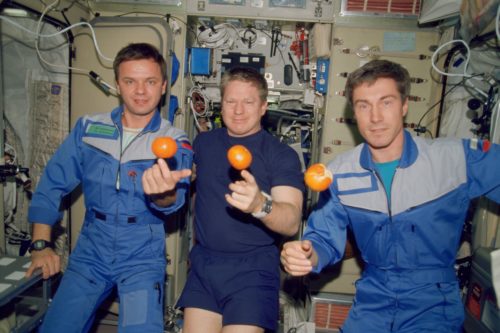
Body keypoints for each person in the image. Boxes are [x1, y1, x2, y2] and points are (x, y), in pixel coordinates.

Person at [281, 59, 500, 332]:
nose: (375, 117)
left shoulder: (454, 159)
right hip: (373, 299)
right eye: (363, 105)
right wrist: (307, 255)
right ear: (354, 112)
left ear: (404, 105)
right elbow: (324, 240)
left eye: (386, 102)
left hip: (433, 301)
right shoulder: (338, 173)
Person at [25, 43, 193, 333]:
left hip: (142, 251)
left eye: (150, 82)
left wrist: (163, 192)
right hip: (91, 249)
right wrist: (41, 244)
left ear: (164, 86)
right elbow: (52, 183)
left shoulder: (174, 139)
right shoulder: (89, 128)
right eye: (130, 81)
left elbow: (173, 200)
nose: (140, 91)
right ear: (117, 85)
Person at [177, 67, 305, 333]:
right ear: (220, 105)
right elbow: (192, 193)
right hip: (205, 265)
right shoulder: (203, 144)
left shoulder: (281, 155)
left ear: (263, 107)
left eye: (248, 102)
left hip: (253, 270)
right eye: (230, 101)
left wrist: (261, 205)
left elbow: (291, 221)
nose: (238, 110)